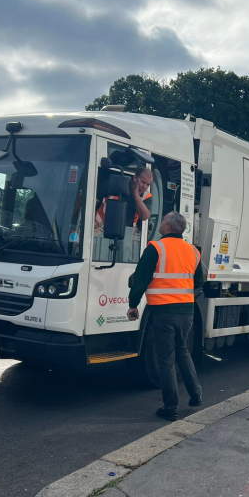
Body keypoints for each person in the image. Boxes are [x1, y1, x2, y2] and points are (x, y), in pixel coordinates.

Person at [126, 211, 204, 421]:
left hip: (163, 312)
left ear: (168, 227)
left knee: (165, 360)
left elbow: (141, 279)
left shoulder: (155, 248)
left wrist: (133, 305)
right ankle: (196, 395)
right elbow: (199, 282)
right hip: (186, 312)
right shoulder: (193, 251)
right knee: (183, 352)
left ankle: (171, 407)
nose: (160, 224)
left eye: (162, 221)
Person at [94, 167, 153, 236]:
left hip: (125, 234)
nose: (145, 187)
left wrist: (136, 194)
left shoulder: (146, 196)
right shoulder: (115, 183)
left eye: (148, 184)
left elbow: (145, 216)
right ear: (134, 178)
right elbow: (91, 201)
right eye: (143, 182)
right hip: (99, 229)